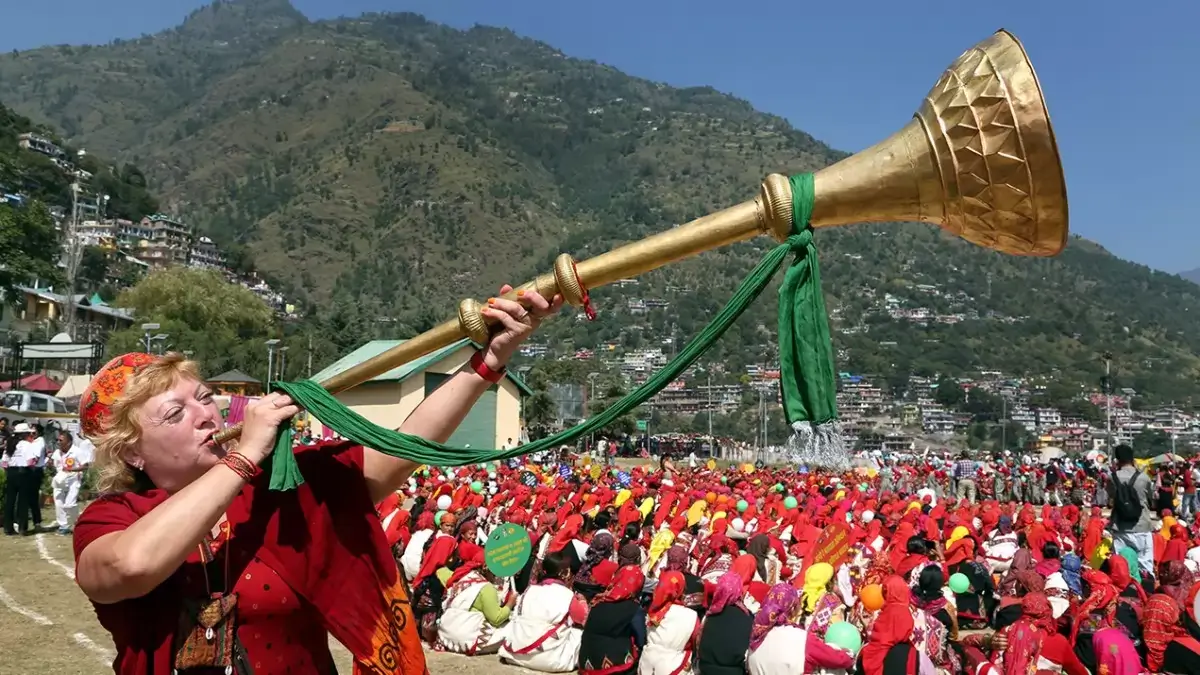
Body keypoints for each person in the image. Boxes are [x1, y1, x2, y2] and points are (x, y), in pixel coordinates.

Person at [70, 287, 559, 674]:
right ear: (131, 451)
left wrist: (488, 363)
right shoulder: (112, 519)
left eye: (204, 396)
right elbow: (131, 566)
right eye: (176, 412)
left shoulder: (282, 485)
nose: (205, 414)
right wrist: (242, 459)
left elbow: (396, 450)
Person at [1108, 443, 1154, 576]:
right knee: (1145, 566)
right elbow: (1150, 498)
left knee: (1121, 567)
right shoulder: (1144, 478)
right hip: (1142, 525)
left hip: (1120, 525)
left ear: (1117, 460)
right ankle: (1146, 592)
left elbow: (1111, 497)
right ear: (1132, 458)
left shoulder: (1113, 477)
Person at [50, 429, 94, 534]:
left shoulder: (77, 451)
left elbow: (85, 466)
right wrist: (50, 464)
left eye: (61, 440)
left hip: (73, 479)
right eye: (58, 440)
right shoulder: (57, 452)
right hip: (60, 479)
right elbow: (54, 464)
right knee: (58, 503)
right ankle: (63, 526)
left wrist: (72, 470)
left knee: (69, 504)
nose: (58, 442)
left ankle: (77, 521)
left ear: (69, 442)